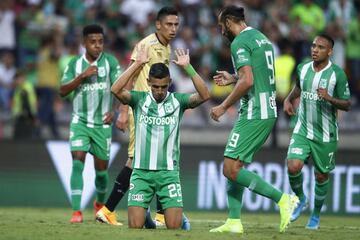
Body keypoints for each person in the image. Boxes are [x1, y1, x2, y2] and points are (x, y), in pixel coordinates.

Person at [208, 6, 299, 234]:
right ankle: (234, 220)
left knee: (230, 168)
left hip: (255, 111)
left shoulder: (239, 42)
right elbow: (254, 75)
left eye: (221, 26)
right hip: (265, 109)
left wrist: (223, 105)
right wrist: (234, 77)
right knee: (234, 165)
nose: (221, 32)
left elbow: (248, 81)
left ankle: (283, 199)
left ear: (229, 22)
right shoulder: (261, 37)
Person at [96, 6, 185, 227]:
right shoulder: (146, 45)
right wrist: (124, 111)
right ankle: (108, 210)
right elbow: (131, 74)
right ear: (158, 24)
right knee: (137, 158)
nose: (173, 29)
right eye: (169, 24)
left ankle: (159, 215)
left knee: (154, 156)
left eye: (176, 24)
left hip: (158, 110)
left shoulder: (166, 46)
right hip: (143, 110)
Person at [111, 45, 210, 229]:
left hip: (168, 174)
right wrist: (136, 64)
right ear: (148, 82)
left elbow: (205, 95)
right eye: (155, 86)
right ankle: (147, 216)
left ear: (169, 82)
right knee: (135, 227)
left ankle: (177, 218)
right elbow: (115, 90)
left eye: (163, 87)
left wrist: (188, 68)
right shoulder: (139, 100)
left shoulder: (178, 101)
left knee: (173, 227)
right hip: (141, 173)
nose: (159, 91)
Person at [284, 34, 351, 230]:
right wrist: (288, 100)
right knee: (293, 166)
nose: (315, 49)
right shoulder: (303, 68)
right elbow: (298, 88)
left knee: (321, 176)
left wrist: (330, 98)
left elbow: (347, 104)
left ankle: (315, 214)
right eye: (313, 46)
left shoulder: (337, 74)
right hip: (303, 129)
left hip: (326, 134)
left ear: (330, 51)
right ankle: (301, 198)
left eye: (320, 47)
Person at [59, 24, 121, 223]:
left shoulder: (110, 62)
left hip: (102, 124)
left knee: (101, 172)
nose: (97, 46)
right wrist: (82, 76)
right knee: (77, 163)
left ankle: (99, 204)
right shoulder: (74, 64)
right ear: (84, 43)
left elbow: (120, 87)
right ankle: (76, 212)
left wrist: (115, 110)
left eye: (100, 42)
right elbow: (62, 90)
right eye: (93, 42)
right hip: (80, 122)